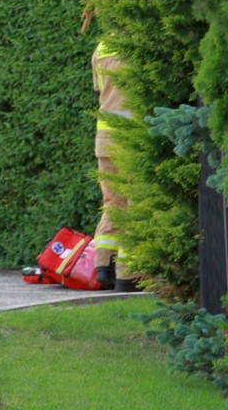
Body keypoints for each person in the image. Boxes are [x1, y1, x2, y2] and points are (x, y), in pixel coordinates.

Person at [91, 39, 139, 292]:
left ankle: (103, 264)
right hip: (133, 139)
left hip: (105, 138)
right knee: (136, 203)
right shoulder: (143, 42)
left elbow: (99, 91)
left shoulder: (103, 46)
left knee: (113, 202)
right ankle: (128, 276)